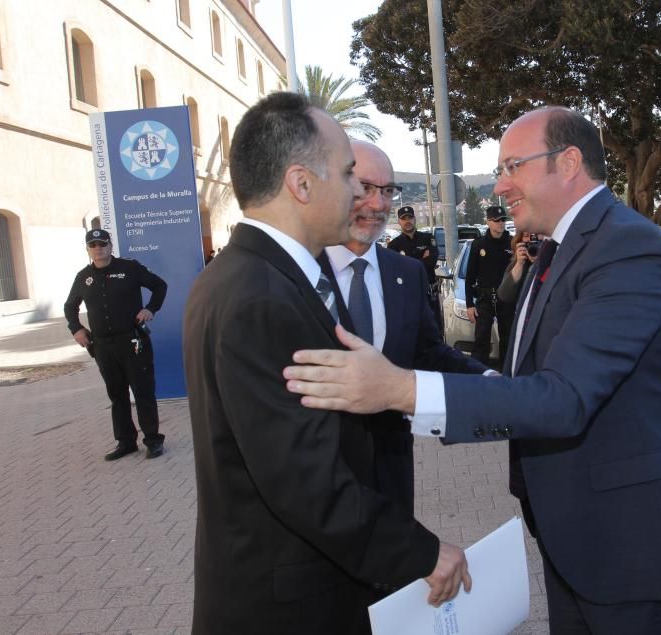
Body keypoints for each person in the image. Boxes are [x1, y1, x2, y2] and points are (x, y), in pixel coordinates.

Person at [285, 106, 661, 634]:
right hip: (583, 537)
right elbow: (529, 376)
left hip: (632, 543)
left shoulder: (627, 249)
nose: (499, 186)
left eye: (512, 166)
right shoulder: (560, 248)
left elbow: (563, 397)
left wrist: (401, 390)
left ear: (567, 163)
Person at [182, 92, 469, 634]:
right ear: (302, 183)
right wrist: (423, 554)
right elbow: (305, 484)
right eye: (347, 175)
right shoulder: (261, 298)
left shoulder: (244, 277)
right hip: (290, 604)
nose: (359, 191)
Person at [318, 140, 489, 513]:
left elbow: (428, 352)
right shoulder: (296, 273)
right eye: (363, 188)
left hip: (392, 470)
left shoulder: (405, 273)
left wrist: (489, 384)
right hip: (320, 482)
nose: (378, 204)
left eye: (387, 191)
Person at [64, 229, 167, 461]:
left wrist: (150, 309)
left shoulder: (129, 268)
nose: (98, 249)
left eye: (102, 244)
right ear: (88, 250)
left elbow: (160, 286)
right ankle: (126, 442)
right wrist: (76, 329)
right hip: (102, 346)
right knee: (117, 395)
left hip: (133, 341)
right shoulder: (83, 277)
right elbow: (70, 306)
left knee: (142, 391)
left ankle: (153, 440)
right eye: (93, 245)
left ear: (111, 246)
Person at [465, 205, 514, 366]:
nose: (500, 224)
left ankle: (507, 377)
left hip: (506, 297)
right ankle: (478, 375)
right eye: (496, 221)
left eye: (503, 220)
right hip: (485, 297)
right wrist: (469, 304)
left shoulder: (512, 243)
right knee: (481, 339)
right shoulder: (479, 245)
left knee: (507, 339)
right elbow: (470, 276)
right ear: (488, 222)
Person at [387, 205, 443, 331]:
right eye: (403, 218)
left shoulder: (428, 238)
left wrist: (406, 263)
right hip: (407, 299)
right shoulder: (393, 246)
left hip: (429, 296)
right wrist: (421, 260)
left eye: (410, 217)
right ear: (399, 222)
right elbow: (395, 271)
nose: (407, 221)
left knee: (434, 335)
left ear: (415, 219)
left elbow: (431, 262)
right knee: (412, 338)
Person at [497, 230, 539, 307]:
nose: (531, 240)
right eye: (526, 236)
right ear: (520, 241)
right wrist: (519, 264)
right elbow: (503, 295)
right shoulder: (517, 264)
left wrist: (539, 261)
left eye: (535, 237)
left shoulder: (551, 258)